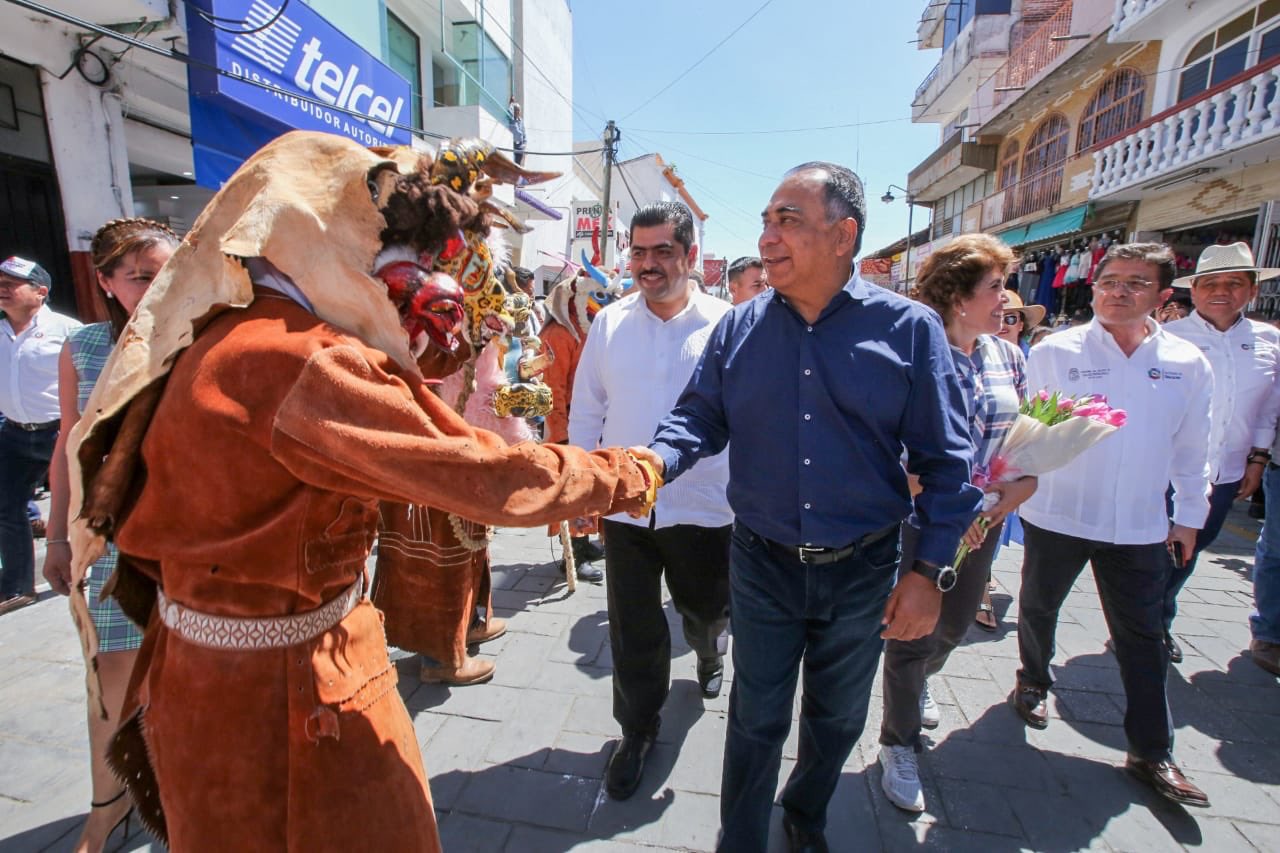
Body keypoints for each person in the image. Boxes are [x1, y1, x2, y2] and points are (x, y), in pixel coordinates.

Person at [64, 132, 661, 852]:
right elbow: (492, 479)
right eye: (402, 261)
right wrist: (637, 470)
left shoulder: (225, 331)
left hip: (208, 683)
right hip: (293, 701)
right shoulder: (303, 357)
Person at [641, 162, 981, 852]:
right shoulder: (739, 329)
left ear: (843, 234)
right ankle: (739, 838)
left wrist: (929, 573)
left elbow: (950, 465)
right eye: (766, 220)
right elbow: (698, 418)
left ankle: (806, 815)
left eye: (787, 220)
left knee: (836, 720)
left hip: (863, 569)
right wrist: (649, 464)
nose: (767, 236)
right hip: (762, 561)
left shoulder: (911, 330)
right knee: (756, 716)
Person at [1012, 242, 1214, 808]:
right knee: (1038, 603)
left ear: (1162, 296)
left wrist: (1189, 517)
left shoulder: (1185, 362)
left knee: (1143, 636)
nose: (1118, 293)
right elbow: (1030, 424)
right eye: (1110, 281)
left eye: (1135, 283)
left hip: (1139, 523)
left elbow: (1193, 446)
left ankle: (1151, 751)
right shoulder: (1058, 349)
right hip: (1060, 511)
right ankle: (1032, 679)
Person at [569, 201, 733, 801]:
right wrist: (582, 485)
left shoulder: (727, 324)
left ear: (690, 257)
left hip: (705, 507)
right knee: (634, 628)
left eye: (663, 251)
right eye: (639, 251)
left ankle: (710, 651)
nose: (648, 263)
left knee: (707, 608)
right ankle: (637, 730)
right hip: (625, 507)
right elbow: (587, 407)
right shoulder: (609, 324)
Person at [877, 234, 1038, 814]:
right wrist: (951, 498)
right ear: (957, 296)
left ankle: (917, 683)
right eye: (995, 288)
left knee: (954, 626)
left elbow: (1023, 444)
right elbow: (890, 453)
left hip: (985, 522)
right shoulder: (913, 357)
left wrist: (1018, 489)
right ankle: (897, 742)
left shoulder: (1009, 356)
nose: (1007, 301)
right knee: (912, 630)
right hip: (920, 521)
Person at [41, 219, 179, 852]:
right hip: (113, 540)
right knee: (112, 683)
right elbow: (70, 446)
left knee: (194, 679)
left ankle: (189, 796)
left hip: (191, 537)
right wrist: (60, 541)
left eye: (167, 272)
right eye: (139, 276)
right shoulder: (85, 348)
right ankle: (110, 800)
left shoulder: (201, 333)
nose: (155, 287)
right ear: (104, 282)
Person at [1162, 243, 1280, 664]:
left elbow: (1269, 406)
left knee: (1190, 551)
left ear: (1251, 290)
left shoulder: (1269, 341)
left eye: (1234, 283)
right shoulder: (1167, 338)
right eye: (1210, 283)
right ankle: (1146, 623)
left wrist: (1258, 458)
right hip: (1165, 471)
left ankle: (1155, 616)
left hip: (1226, 472)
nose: (1222, 292)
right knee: (1153, 550)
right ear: (1193, 291)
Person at [0, 255, 80, 615]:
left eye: (11, 284)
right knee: (5, 506)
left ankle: (82, 564)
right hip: (14, 434)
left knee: (83, 503)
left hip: (59, 433)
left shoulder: (68, 331)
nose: (3, 290)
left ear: (41, 292)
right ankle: (18, 585)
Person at [539, 274, 619, 581]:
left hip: (593, 423)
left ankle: (584, 542)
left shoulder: (590, 331)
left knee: (590, 489)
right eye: (598, 297)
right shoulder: (559, 334)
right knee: (573, 492)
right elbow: (552, 387)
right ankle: (572, 551)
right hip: (568, 426)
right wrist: (560, 431)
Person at [976, 289, 1046, 631]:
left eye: (1012, 318)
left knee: (990, 537)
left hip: (1001, 479)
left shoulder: (1019, 360)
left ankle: (981, 588)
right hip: (948, 489)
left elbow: (1026, 423)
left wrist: (1024, 478)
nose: (1003, 322)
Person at [508, 98, 527, 166]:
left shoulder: (521, 121)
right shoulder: (512, 118)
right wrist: (511, 103)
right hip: (513, 144)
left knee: (519, 162)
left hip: (520, 145)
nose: (517, 112)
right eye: (516, 110)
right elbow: (509, 110)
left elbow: (524, 133)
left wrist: (524, 144)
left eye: (518, 110)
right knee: (513, 161)